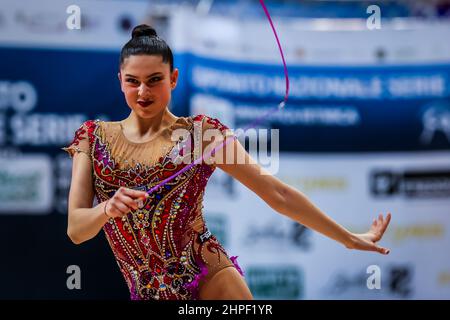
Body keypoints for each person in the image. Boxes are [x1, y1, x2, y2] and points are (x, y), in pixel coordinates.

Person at [63, 24, 391, 300]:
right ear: (120, 79)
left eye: (155, 79)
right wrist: (107, 208)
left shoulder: (200, 135)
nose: (143, 91)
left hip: (210, 279)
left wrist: (349, 239)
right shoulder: (93, 138)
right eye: (133, 81)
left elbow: (277, 194)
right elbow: (77, 229)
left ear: (173, 78)